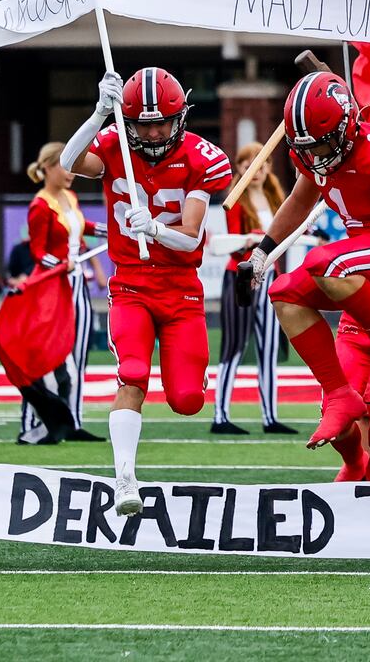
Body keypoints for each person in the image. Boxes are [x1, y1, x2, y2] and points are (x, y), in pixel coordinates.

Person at [241, 72, 370, 451]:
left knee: (325, 262)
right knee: (284, 292)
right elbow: (299, 202)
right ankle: (339, 393)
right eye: (309, 147)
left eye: (323, 143)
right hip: (364, 260)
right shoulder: (314, 154)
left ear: (348, 125)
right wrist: (263, 252)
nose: (316, 155)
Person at [61, 66, 233, 517]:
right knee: (132, 372)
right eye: (143, 123)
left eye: (161, 122)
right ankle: (124, 479)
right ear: (129, 120)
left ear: (181, 118)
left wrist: (155, 228)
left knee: (187, 400)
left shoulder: (202, 157)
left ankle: (192, 376)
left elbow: (192, 236)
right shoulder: (115, 140)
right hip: (131, 283)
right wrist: (100, 113)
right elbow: (68, 162)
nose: (154, 132)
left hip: (181, 290)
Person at [17, 141, 102, 445]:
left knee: (79, 357)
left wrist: (108, 229)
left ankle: (73, 422)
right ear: (49, 167)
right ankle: (29, 423)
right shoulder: (40, 205)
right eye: (65, 166)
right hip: (53, 286)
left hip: (78, 283)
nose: (71, 173)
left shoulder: (69, 197)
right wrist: (60, 264)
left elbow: (79, 226)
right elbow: (38, 251)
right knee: (45, 356)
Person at [211, 143, 295, 435]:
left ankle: (270, 416)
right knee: (233, 346)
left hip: (270, 278)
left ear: (269, 167)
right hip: (241, 277)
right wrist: (250, 239)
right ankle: (220, 415)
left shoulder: (277, 198)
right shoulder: (235, 200)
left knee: (269, 348)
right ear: (239, 168)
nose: (255, 171)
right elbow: (232, 244)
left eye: (260, 164)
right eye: (248, 164)